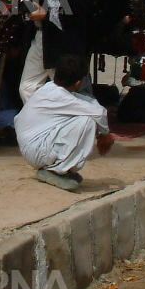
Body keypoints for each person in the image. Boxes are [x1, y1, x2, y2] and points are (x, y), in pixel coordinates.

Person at [15, 54, 114, 191]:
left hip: (34, 147)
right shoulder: (60, 96)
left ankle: (58, 167)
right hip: (36, 151)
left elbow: (91, 104)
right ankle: (56, 170)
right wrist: (104, 135)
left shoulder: (50, 88)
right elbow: (99, 113)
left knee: (84, 116)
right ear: (78, 83)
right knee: (87, 122)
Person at [19, 0, 89, 102]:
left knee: (66, 91)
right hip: (40, 38)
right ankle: (43, 122)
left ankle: (73, 124)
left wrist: (47, 14)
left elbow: (77, 11)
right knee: (27, 87)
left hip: (60, 41)